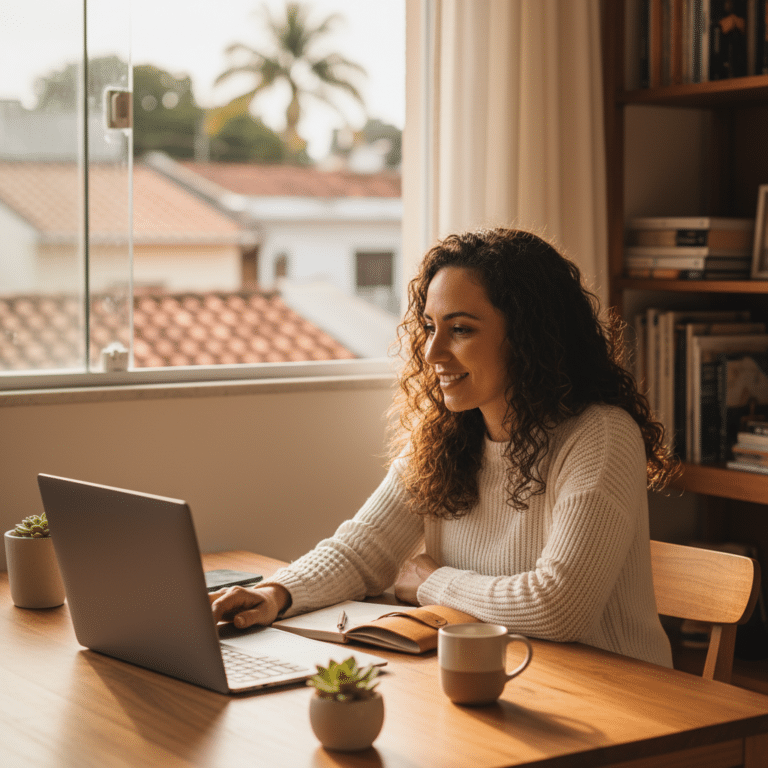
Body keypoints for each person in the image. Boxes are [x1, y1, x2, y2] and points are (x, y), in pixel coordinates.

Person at [211, 227, 678, 667]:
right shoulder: (448, 436)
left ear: (531, 337)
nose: (433, 354)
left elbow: (557, 607)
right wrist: (277, 594)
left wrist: (432, 582)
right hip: (509, 677)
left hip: (616, 697)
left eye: (460, 329)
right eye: (430, 327)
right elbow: (361, 550)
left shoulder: (600, 436)